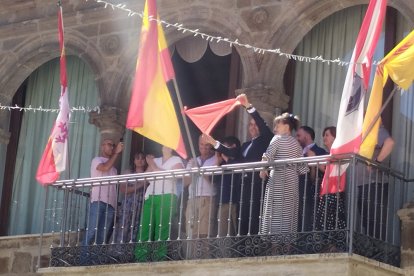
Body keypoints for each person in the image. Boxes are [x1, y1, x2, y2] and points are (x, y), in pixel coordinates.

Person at [259, 113, 308, 235]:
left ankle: (275, 248)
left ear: (286, 127)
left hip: (278, 180)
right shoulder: (297, 144)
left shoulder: (277, 139)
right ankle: (287, 245)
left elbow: (268, 155)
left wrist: (262, 168)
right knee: (288, 214)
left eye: (277, 125)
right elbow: (303, 169)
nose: (275, 129)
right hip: (292, 182)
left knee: (275, 213)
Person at [135, 146, 184, 262]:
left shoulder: (176, 160)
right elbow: (145, 178)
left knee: (162, 229)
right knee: (145, 227)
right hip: (150, 195)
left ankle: (159, 258)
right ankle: (140, 258)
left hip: (167, 195)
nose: (165, 146)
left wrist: (152, 165)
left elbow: (177, 175)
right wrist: (151, 163)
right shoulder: (155, 160)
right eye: (163, 144)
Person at [237, 93, 273, 236]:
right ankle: (243, 248)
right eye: (250, 125)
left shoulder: (266, 139)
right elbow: (233, 154)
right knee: (243, 214)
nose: (252, 127)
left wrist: (248, 107)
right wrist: (214, 143)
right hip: (245, 184)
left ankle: (254, 247)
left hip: (258, 183)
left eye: (255, 125)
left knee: (255, 214)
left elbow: (262, 125)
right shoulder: (245, 144)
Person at [357, 124, 394, 240]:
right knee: (367, 221)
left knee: (375, 221)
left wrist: (376, 162)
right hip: (365, 184)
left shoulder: (376, 129)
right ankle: (373, 251)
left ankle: (378, 253)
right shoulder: (364, 132)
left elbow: (390, 143)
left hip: (374, 183)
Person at [84, 138, 124, 245]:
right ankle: (83, 260)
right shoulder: (97, 160)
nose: (112, 147)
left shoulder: (114, 169)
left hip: (110, 205)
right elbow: (105, 167)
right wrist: (116, 153)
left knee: (102, 237)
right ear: (102, 146)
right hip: (98, 201)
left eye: (113, 145)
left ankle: (96, 261)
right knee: (91, 232)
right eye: (109, 144)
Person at [203, 134, 242, 237]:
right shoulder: (222, 163)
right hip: (222, 203)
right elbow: (212, 179)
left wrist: (227, 159)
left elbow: (238, 172)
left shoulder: (239, 158)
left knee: (238, 233)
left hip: (236, 203)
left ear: (233, 146)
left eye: (224, 148)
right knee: (223, 235)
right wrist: (217, 162)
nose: (222, 151)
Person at [314, 127, 347, 245]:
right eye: (324, 135)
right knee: (326, 221)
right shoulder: (332, 153)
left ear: (335, 137)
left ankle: (333, 246)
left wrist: (315, 160)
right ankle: (329, 245)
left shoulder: (338, 152)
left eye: (327, 135)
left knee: (331, 221)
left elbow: (333, 169)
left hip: (333, 191)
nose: (324, 137)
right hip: (328, 190)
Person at [185, 135, 218, 239]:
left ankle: (204, 255)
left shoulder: (216, 160)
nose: (204, 147)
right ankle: (192, 256)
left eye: (207, 144)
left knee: (205, 233)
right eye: (202, 144)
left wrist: (199, 169)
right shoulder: (192, 161)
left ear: (211, 146)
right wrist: (194, 171)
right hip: (192, 199)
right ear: (198, 145)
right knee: (191, 234)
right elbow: (185, 182)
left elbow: (213, 180)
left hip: (207, 198)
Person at [296, 126, 327, 231]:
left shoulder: (320, 151)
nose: (297, 138)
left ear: (307, 136)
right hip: (297, 192)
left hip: (311, 194)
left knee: (308, 219)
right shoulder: (297, 152)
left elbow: (325, 171)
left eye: (299, 135)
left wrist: (314, 160)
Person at [113, 152, 148, 243]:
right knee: (124, 226)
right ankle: (118, 252)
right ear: (134, 160)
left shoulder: (147, 173)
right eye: (137, 158)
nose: (140, 160)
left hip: (142, 205)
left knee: (137, 228)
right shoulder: (128, 172)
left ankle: (131, 252)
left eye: (142, 158)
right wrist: (140, 185)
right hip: (129, 204)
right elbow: (123, 189)